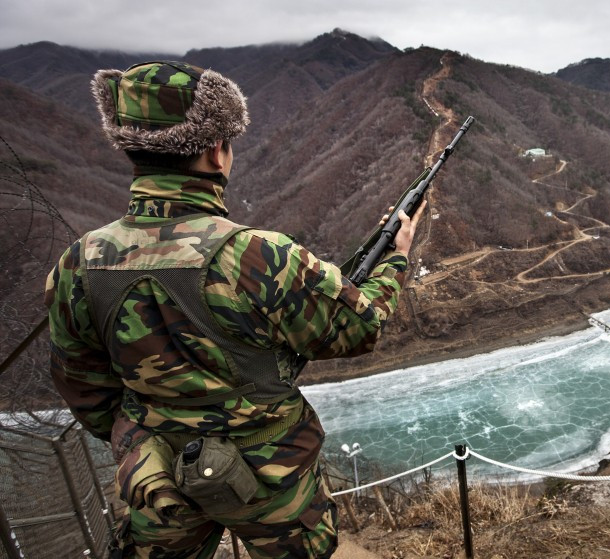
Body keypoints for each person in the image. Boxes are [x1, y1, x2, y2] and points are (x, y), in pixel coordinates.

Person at [45, 60, 423, 558]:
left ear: (132, 152)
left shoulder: (79, 262)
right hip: (272, 478)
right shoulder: (257, 255)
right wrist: (395, 256)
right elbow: (359, 328)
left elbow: (82, 385)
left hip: (156, 476)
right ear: (216, 150)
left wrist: (147, 437)